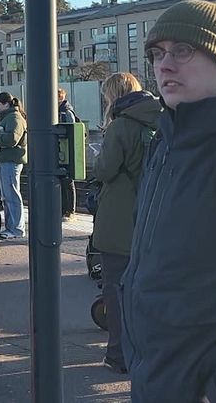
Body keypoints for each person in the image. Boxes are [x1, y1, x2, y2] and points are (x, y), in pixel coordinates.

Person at [122, 0, 216, 401]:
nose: (164, 66)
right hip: (158, 378)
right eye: (156, 54)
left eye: (182, 51)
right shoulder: (168, 143)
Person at [90, 72, 158, 375]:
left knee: (116, 289)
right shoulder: (161, 119)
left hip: (119, 219)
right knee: (148, 290)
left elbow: (104, 170)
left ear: (113, 95)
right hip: (154, 216)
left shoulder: (120, 126)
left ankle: (118, 355)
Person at [0, 92, 27, 240]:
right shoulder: (9, 117)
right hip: (6, 160)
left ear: (7, 104)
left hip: (11, 160)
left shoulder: (14, 118)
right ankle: (11, 227)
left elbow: (12, 139)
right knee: (8, 195)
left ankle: (16, 228)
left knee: (12, 195)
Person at [57, 88, 79, 220]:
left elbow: (70, 130)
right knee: (63, 181)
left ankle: (70, 210)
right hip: (62, 148)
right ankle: (64, 209)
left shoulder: (66, 112)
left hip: (66, 149)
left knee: (67, 180)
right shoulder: (61, 111)